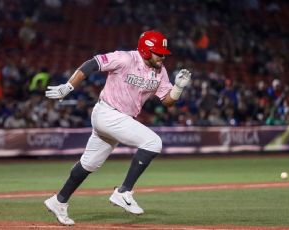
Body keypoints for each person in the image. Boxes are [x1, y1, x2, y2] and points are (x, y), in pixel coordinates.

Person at [44, 30, 191, 225]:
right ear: (146, 51)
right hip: (107, 112)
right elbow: (92, 63)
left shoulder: (160, 70)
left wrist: (178, 88)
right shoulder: (125, 58)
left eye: (163, 52)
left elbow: (167, 101)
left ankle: (59, 201)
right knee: (153, 142)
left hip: (119, 119)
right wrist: (68, 86)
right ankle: (123, 192)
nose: (162, 56)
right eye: (158, 52)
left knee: (89, 164)